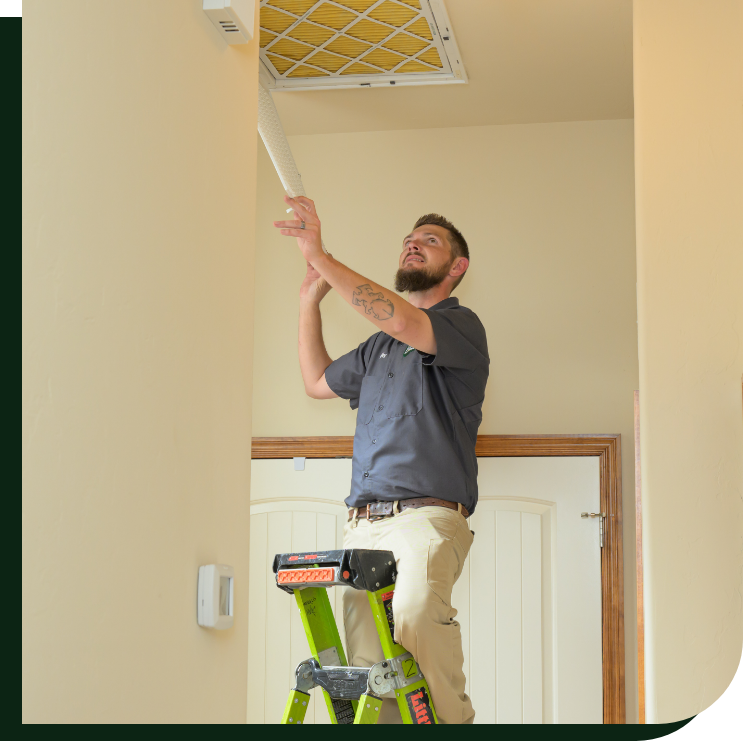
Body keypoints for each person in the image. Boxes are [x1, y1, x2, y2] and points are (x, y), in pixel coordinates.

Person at [273, 195, 489, 724]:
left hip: (426, 519)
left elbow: (404, 322)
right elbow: (316, 382)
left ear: (456, 267)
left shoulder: (461, 328)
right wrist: (308, 301)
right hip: (363, 525)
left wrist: (320, 256)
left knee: (416, 614)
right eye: (409, 239)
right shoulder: (377, 348)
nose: (413, 243)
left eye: (429, 240)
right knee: (374, 672)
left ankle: (457, 723)